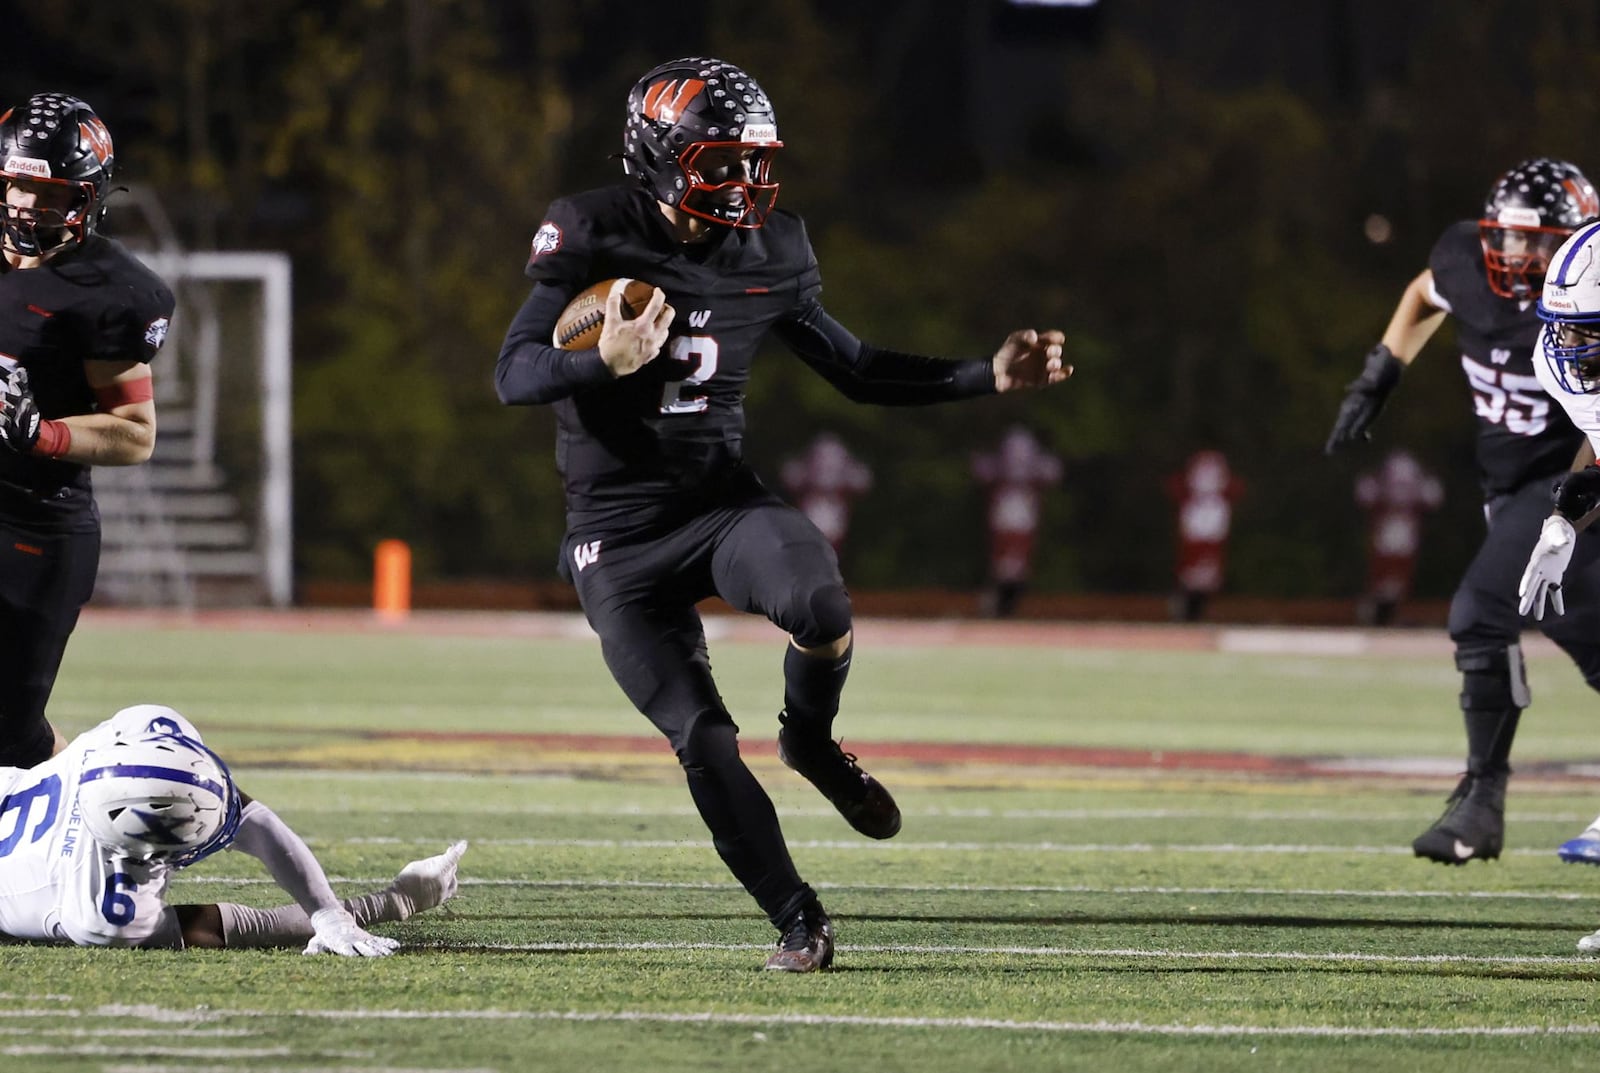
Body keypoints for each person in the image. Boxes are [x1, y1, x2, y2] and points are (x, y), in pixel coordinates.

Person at [495, 57, 1069, 972]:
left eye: (757, 163)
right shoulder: (591, 228)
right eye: (722, 162)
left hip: (720, 503)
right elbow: (512, 372)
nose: (747, 184)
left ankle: (810, 738)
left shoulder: (775, 248)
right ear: (661, 156)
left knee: (822, 604)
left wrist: (986, 375)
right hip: (616, 537)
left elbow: (858, 368)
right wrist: (598, 361)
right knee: (703, 736)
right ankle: (799, 918)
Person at [1325, 158, 1600, 865]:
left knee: (1480, 609)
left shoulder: (1584, 302)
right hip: (1510, 485)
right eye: (1507, 238)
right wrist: (1381, 372)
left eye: (1538, 240)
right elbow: (1425, 289)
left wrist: (1569, 513)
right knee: (1585, 633)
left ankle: (1481, 801)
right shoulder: (1465, 262)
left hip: (1572, 476)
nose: (1517, 255)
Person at [0, 93, 175, 769]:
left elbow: (136, 432)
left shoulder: (108, 292)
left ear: (86, 197)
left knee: (12, 734)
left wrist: (42, 432)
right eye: (15, 184)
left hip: (36, 524)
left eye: (46, 192)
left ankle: (94, 830)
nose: (24, 204)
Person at [0, 702, 467, 952]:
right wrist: (389, 904)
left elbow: (255, 821)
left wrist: (330, 913)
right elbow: (240, 926)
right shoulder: (106, 913)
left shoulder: (140, 734)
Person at [1515, 218, 1600, 888]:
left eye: (1587, 329)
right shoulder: (1557, 356)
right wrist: (1564, 519)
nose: (1568, 343)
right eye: (1565, 325)